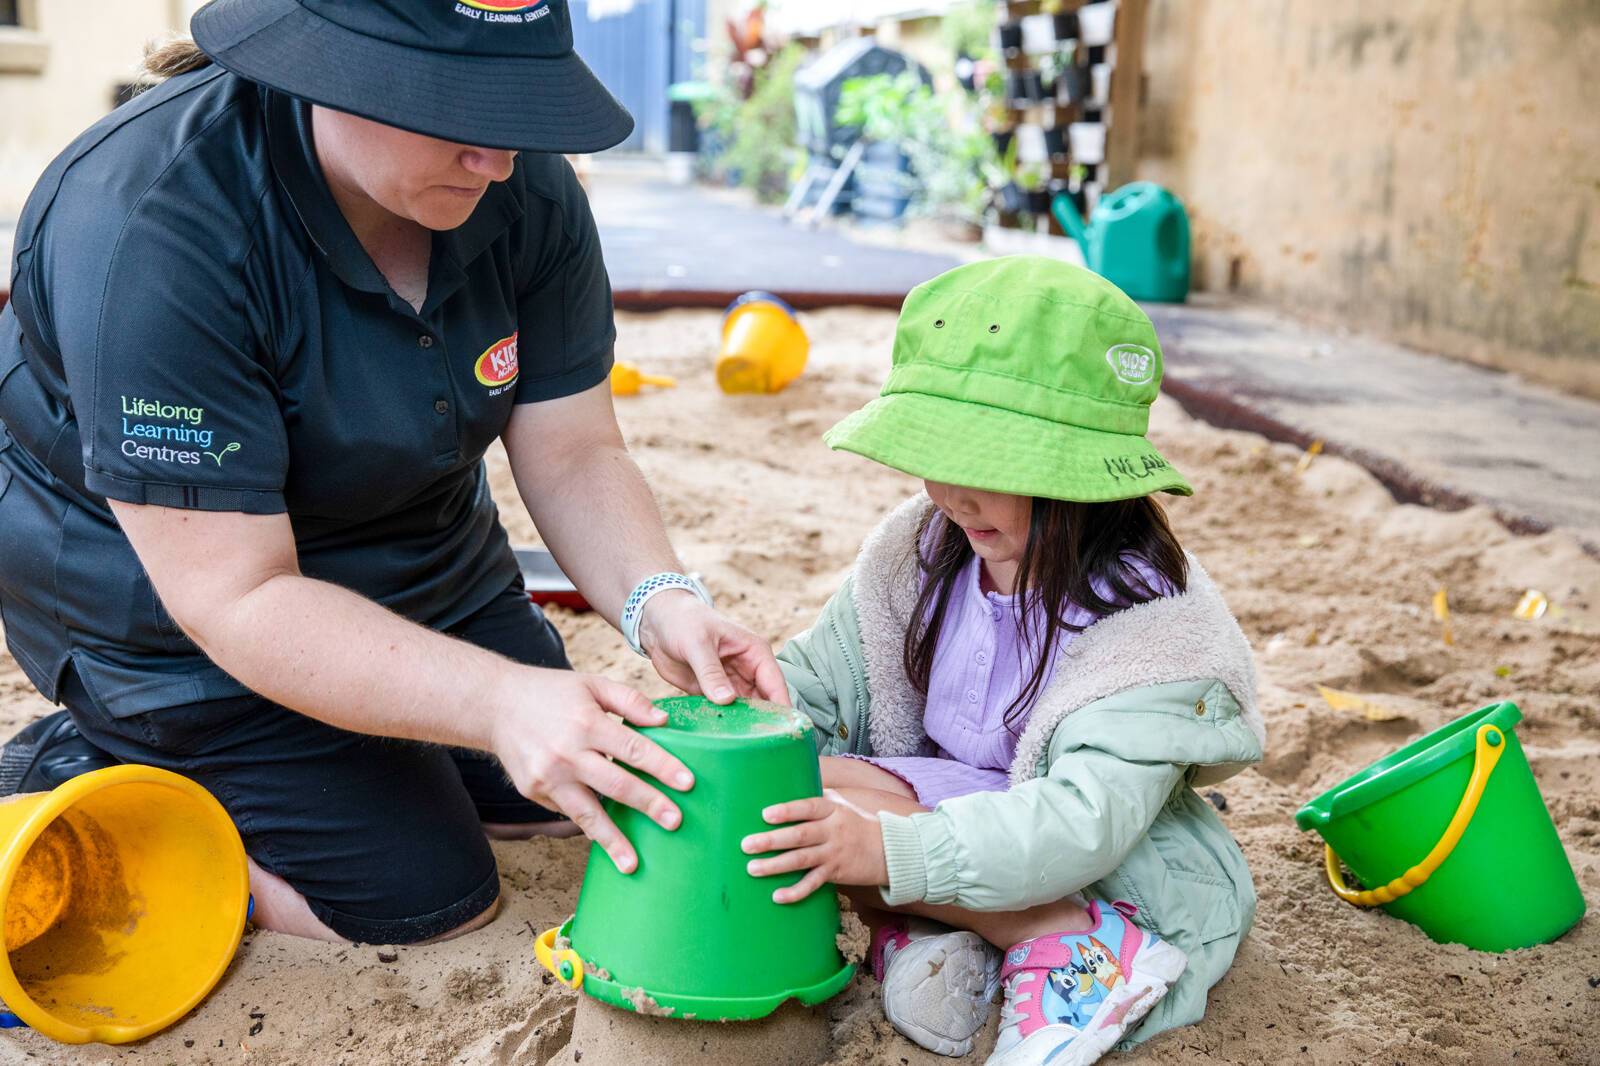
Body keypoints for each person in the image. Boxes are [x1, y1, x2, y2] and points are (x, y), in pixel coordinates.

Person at [0, 0, 785, 946]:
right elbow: (235, 597)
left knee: (561, 798)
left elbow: (576, 450)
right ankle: (89, 764)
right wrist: (497, 701)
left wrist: (659, 598)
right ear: (327, 70)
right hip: (171, 611)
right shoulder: (153, 226)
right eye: (457, 114)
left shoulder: (521, 182)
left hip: (423, 553)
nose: (497, 161)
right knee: (423, 901)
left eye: (517, 111)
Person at [747, 257, 1264, 1064]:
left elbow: (1081, 824)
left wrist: (887, 852)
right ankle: (935, 940)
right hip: (973, 813)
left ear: (1078, 474)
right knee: (789, 800)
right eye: (936, 454)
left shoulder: (1151, 627)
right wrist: (743, 718)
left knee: (847, 834)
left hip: (1116, 876)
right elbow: (822, 687)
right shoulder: (923, 553)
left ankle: (1074, 943)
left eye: (988, 464)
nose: (953, 495)